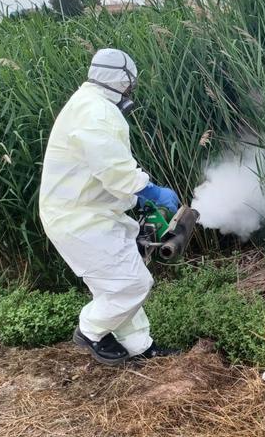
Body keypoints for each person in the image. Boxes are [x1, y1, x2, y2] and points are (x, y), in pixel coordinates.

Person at [39, 48, 179, 365]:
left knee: (115, 284)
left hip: (91, 213)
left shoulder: (88, 104)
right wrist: (147, 190)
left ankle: (139, 347)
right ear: (121, 79)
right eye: (131, 83)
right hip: (78, 219)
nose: (131, 90)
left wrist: (134, 198)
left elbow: (100, 169)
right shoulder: (96, 111)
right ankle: (89, 331)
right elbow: (111, 166)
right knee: (132, 283)